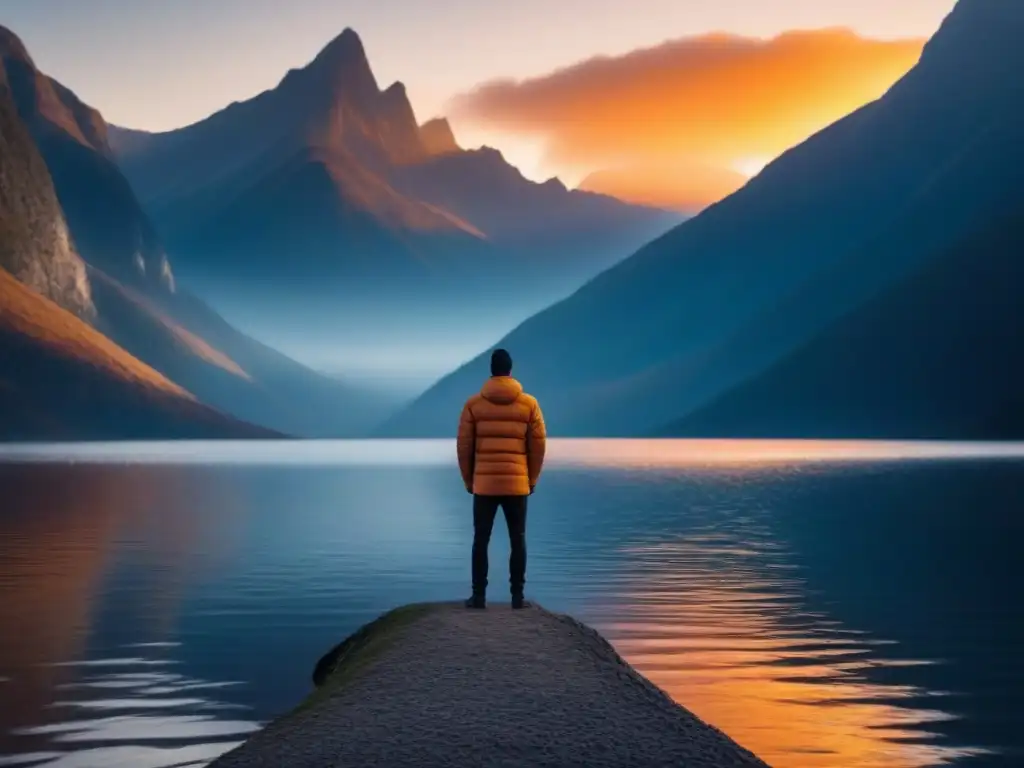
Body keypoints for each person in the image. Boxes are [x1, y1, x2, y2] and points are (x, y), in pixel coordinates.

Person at [457, 348, 546, 610]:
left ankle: (479, 597)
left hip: (483, 485)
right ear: (510, 371)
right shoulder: (529, 404)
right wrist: (532, 479)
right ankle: (517, 598)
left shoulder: (473, 404)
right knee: (517, 539)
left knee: (480, 540)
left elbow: (464, 447)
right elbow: (538, 446)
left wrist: (469, 480)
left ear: (491, 371)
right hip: (517, 484)